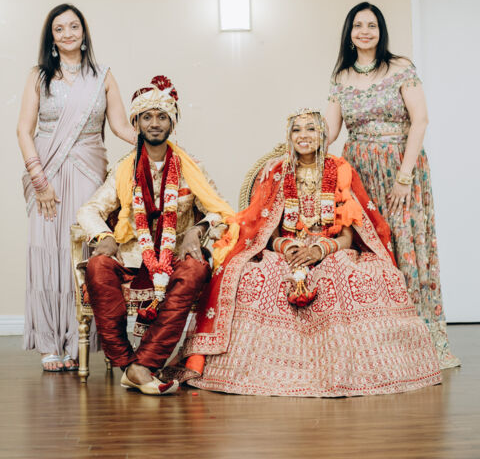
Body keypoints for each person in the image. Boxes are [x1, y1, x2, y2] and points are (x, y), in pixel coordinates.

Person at [176, 110, 441, 397]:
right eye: (297, 130)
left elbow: (348, 236)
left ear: (323, 135)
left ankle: (345, 367)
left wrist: (319, 250)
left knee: (347, 273)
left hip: (329, 249)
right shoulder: (277, 172)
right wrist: (286, 247)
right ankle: (262, 367)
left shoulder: (340, 170)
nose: (303, 135)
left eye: (311, 129)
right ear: (289, 137)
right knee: (256, 275)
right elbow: (265, 227)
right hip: (285, 250)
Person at [77, 75, 234, 395]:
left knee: (196, 269)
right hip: (131, 255)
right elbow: (89, 210)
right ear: (136, 123)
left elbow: (219, 210)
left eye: (162, 116)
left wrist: (197, 230)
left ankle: (140, 367)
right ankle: (131, 364)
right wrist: (105, 237)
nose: (154, 123)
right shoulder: (124, 168)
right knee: (97, 266)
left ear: (172, 123)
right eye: (147, 117)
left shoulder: (192, 167)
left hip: (175, 256)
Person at [324, 1, 459, 369]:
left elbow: (420, 121)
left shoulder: (401, 68)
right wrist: (298, 137)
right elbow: (331, 132)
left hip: (401, 168)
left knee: (406, 245)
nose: (365, 31)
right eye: (358, 25)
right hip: (359, 172)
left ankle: (422, 343)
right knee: (372, 247)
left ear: (381, 31)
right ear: (349, 33)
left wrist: (404, 176)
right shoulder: (341, 77)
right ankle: (381, 342)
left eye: (372, 25)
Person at [17, 3, 136, 372]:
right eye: (59, 29)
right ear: (51, 38)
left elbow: (120, 127)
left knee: (83, 251)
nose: (67, 34)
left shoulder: (103, 76)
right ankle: (50, 343)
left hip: (88, 172)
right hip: (47, 174)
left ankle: (76, 342)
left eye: (73, 27)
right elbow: (24, 130)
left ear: (84, 33)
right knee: (47, 251)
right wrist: (39, 181)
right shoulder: (39, 76)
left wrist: (156, 138)